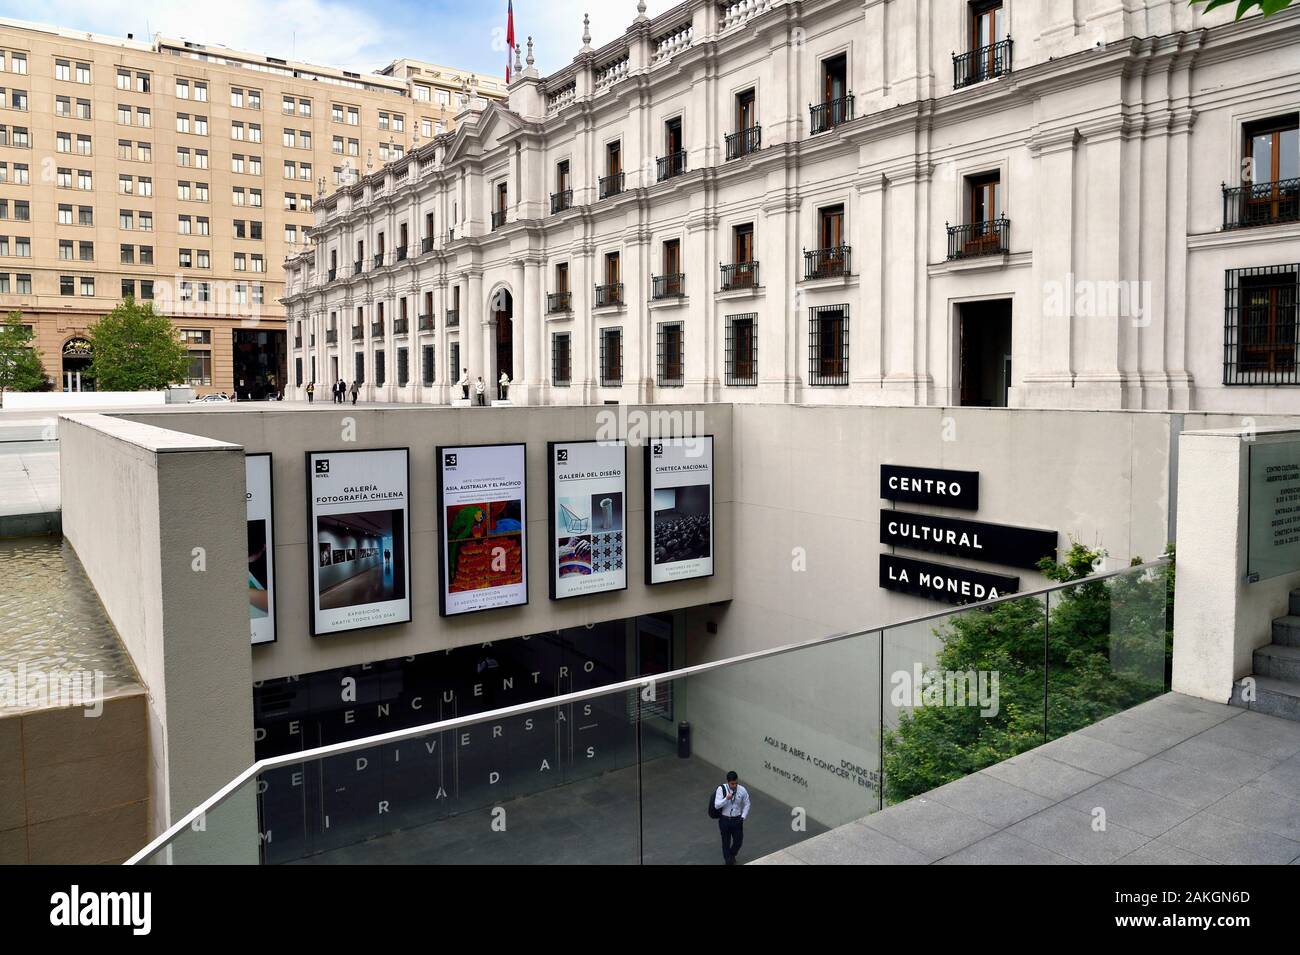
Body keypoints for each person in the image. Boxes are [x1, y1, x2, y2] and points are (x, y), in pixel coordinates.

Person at [714, 770, 750, 865]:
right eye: (732, 783)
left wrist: (743, 817)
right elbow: (717, 805)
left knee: (738, 841)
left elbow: (747, 804)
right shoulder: (721, 789)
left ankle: (732, 854)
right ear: (727, 781)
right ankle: (728, 861)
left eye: (736, 783)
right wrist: (726, 798)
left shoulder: (742, 790)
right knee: (726, 842)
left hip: (737, 820)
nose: (734, 785)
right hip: (725, 820)